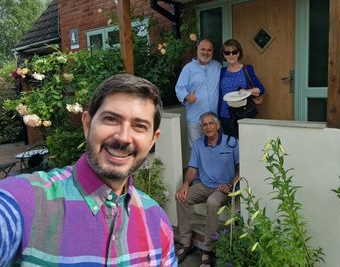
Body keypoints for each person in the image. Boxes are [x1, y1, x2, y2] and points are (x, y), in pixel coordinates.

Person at [0, 74, 177, 266]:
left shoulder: (157, 221)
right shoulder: (28, 199)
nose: (124, 137)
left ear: (152, 139)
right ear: (87, 124)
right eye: (111, 119)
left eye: (140, 126)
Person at [175, 112, 239, 266]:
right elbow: (192, 169)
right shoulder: (198, 144)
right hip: (204, 186)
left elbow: (241, 169)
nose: (208, 127)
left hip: (224, 189)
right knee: (181, 197)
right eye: (204, 124)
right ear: (202, 128)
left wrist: (230, 184)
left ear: (217, 126)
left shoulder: (232, 142)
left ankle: (207, 248)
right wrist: (185, 184)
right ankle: (186, 242)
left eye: (211, 123)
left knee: (212, 202)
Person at [175, 39, 222, 147]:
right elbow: (179, 88)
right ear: (197, 50)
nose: (206, 52)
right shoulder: (188, 69)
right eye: (203, 49)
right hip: (195, 119)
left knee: (214, 148)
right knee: (196, 149)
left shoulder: (217, 66)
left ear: (212, 52)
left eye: (209, 50)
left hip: (213, 119)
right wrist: (187, 97)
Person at [219, 39, 265, 138]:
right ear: (224, 55)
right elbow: (220, 94)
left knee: (245, 143)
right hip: (225, 114)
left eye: (234, 52)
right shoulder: (222, 71)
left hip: (243, 113)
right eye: (227, 52)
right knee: (231, 144)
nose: (231, 55)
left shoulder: (247, 69)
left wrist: (247, 91)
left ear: (239, 53)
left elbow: (261, 89)